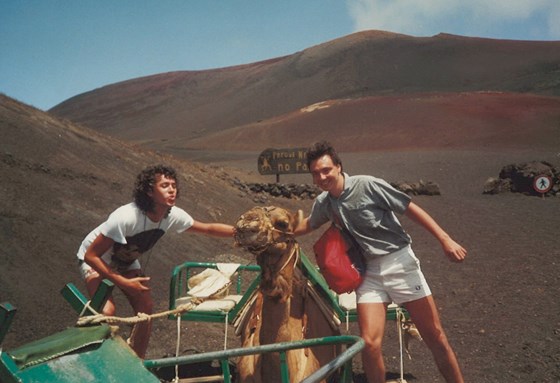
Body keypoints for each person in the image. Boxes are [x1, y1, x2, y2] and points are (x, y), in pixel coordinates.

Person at [294, 141, 466, 383]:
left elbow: (409, 208)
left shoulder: (367, 185)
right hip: (368, 273)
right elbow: (307, 224)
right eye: (316, 173)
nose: (322, 176)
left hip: (399, 262)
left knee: (435, 337)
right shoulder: (325, 203)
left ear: (339, 167)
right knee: (369, 344)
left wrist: (445, 239)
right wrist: (276, 228)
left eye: (326, 170)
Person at [76, 164, 235, 358]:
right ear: (150, 191)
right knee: (107, 312)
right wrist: (123, 282)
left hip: (126, 260)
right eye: (165, 185)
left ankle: (137, 362)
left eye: (174, 185)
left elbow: (208, 228)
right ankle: (104, 361)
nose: (172, 190)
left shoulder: (172, 215)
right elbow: (90, 255)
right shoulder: (125, 217)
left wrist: (240, 232)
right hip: (98, 258)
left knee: (146, 308)